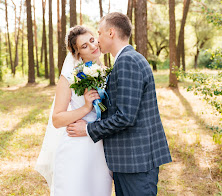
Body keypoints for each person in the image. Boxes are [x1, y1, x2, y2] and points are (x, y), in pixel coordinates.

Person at [67, 12, 172, 196]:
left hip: (137, 161)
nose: (97, 40)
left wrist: (88, 129)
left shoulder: (127, 61)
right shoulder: (125, 60)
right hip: (129, 160)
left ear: (111, 33)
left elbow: (125, 117)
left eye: (99, 33)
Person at [35, 25, 112, 196]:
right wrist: (86, 107)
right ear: (78, 54)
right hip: (76, 147)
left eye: (92, 40)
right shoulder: (69, 77)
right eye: (84, 46)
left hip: (101, 148)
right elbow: (57, 119)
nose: (92, 46)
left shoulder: (108, 73)